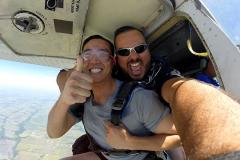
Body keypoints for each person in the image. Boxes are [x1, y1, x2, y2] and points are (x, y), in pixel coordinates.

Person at [57, 26, 240, 159]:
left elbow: (179, 89)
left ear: (148, 50)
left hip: (159, 131)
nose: (133, 57)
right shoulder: (110, 71)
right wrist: (71, 80)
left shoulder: (160, 74)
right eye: (124, 52)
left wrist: (129, 142)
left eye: (139, 49)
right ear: (115, 59)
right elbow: (61, 76)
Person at [47, 35, 181, 160]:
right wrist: (64, 100)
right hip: (106, 156)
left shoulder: (139, 99)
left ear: (112, 62)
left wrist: (130, 142)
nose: (94, 60)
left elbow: (179, 136)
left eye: (102, 54)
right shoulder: (83, 99)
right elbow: (54, 133)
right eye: (87, 54)